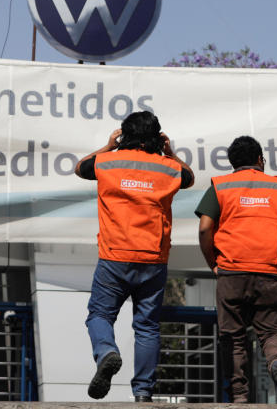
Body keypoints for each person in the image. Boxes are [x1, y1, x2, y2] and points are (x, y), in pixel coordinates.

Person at [74, 111, 195, 402]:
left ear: (124, 135)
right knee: (147, 326)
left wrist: (108, 145)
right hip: (153, 259)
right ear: (157, 137)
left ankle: (107, 352)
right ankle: (142, 391)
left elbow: (80, 168)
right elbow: (189, 178)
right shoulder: (168, 168)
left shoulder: (107, 162)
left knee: (100, 315)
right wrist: (170, 152)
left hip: (114, 255)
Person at [195, 135, 277, 404]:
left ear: (233, 162)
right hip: (271, 271)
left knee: (233, 336)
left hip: (231, 271)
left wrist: (213, 263)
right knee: (272, 331)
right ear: (259, 160)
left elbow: (205, 227)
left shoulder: (220, 186)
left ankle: (240, 396)